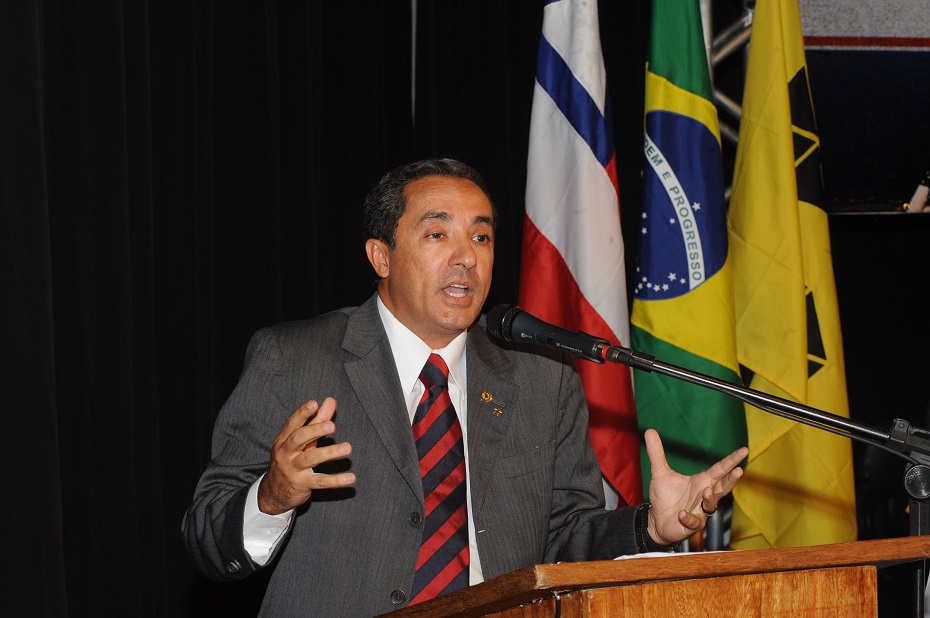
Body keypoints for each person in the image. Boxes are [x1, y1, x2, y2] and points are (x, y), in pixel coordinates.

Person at [182, 158, 749, 617]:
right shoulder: (294, 358)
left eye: (481, 237)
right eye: (437, 234)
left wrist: (649, 526)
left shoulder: (542, 380)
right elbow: (206, 537)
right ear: (381, 255)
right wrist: (272, 496)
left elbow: (564, 539)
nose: (466, 258)